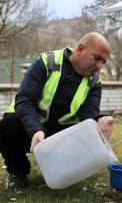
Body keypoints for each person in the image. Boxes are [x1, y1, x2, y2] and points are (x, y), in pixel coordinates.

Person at [0, 32, 114, 190]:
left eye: (103, 62)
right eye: (97, 58)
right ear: (80, 49)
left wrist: (99, 119)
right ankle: (18, 173)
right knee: (8, 125)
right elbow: (24, 100)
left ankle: (63, 171)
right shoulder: (47, 62)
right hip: (29, 128)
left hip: (60, 132)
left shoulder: (94, 81)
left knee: (88, 132)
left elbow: (89, 112)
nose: (99, 66)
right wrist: (35, 130)